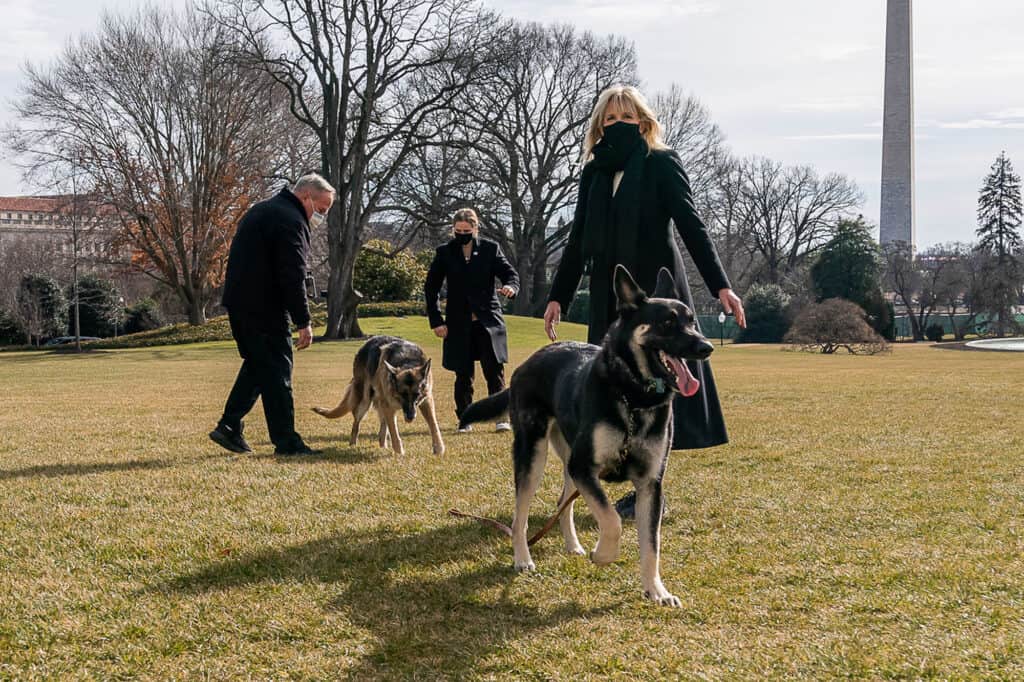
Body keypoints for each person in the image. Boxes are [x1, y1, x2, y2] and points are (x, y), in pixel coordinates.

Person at [543, 85, 746, 516]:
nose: (618, 125)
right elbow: (578, 241)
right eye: (609, 120)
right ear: (599, 127)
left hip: (656, 295)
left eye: (626, 117)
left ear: (644, 121)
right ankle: (605, 471)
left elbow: (692, 226)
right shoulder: (593, 173)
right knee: (611, 388)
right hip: (609, 297)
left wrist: (720, 285)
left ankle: (650, 488)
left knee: (657, 387)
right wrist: (558, 296)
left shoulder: (661, 163)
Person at [209, 173, 335, 456]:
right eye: (322, 209)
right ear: (306, 197)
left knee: (260, 365)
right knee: (278, 370)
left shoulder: (264, 209)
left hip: (242, 303)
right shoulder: (291, 221)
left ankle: (229, 425)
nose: (322, 217)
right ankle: (287, 441)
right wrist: (303, 321)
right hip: (264, 306)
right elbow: (293, 275)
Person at [424, 208, 520, 433]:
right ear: (453, 230)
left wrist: (510, 287)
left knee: (493, 370)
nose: (462, 234)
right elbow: (431, 288)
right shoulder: (445, 253)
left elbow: (510, 274)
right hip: (458, 323)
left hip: (488, 320)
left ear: (475, 229)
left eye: (467, 230)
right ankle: (465, 418)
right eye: (458, 231)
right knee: (463, 372)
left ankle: (500, 416)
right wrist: (437, 320)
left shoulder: (490, 249)